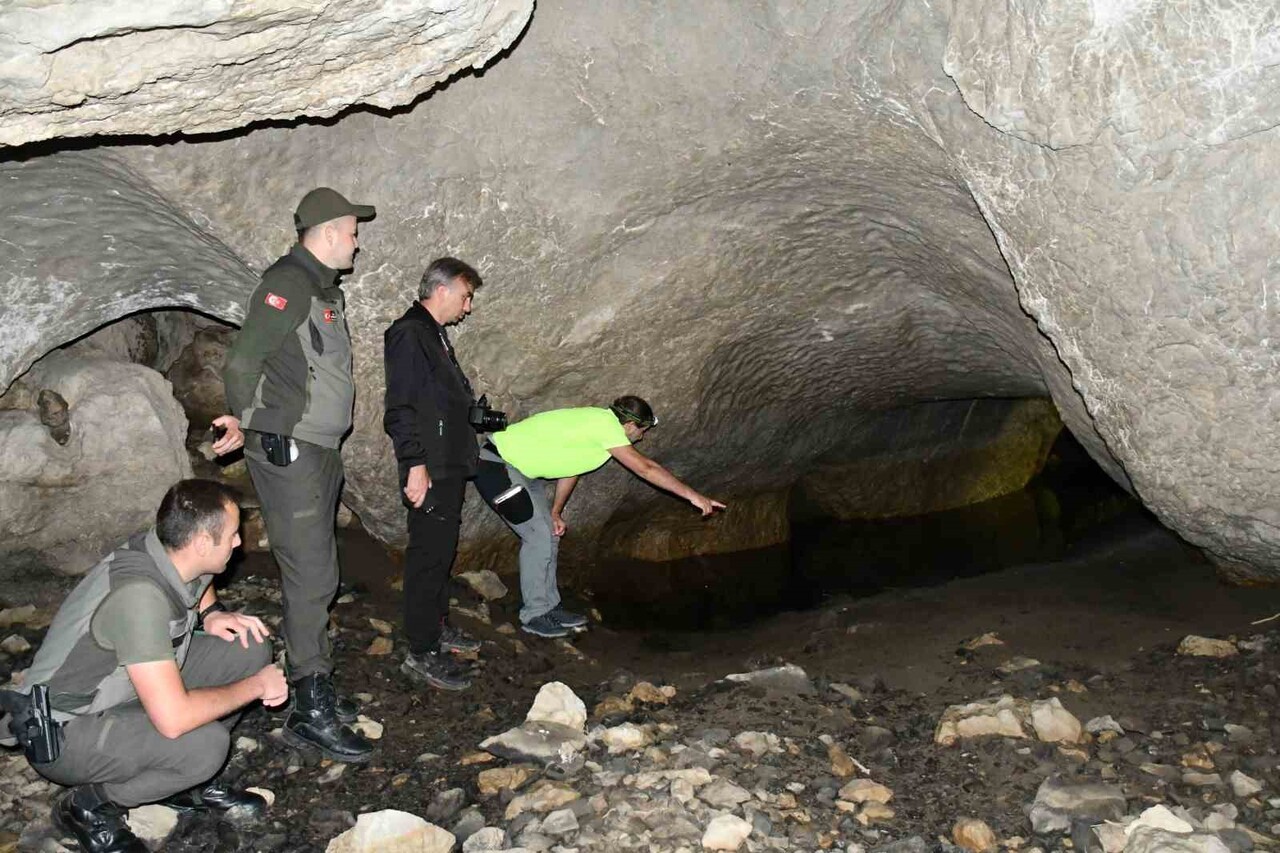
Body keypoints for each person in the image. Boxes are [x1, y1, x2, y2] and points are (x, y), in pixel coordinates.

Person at [0, 479, 286, 853]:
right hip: (66, 729)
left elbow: (201, 576)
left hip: (123, 688)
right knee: (206, 746)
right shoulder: (139, 599)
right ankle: (91, 805)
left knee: (248, 649)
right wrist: (257, 687)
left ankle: (179, 782)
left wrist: (212, 612)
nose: (238, 542)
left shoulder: (171, 547)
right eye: (232, 535)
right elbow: (173, 718)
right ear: (201, 541)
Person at [212, 187, 375, 762]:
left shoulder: (320, 289)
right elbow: (242, 358)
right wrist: (243, 417)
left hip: (317, 446)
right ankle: (310, 703)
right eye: (353, 231)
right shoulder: (288, 283)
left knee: (318, 568)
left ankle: (314, 676)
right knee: (311, 573)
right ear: (329, 230)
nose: (357, 241)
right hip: (291, 447)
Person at [478, 396, 726, 637]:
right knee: (538, 537)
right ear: (629, 426)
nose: (642, 436)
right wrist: (693, 496)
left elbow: (570, 469)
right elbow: (646, 468)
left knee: (550, 534)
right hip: (496, 465)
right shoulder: (605, 426)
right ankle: (534, 616)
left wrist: (556, 512)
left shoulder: (596, 428)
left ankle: (549, 607)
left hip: (521, 471)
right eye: (642, 430)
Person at [383, 257, 485, 691]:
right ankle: (421, 651)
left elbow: (440, 401)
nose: (468, 307)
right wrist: (415, 464)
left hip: (448, 461)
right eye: (466, 297)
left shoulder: (434, 336)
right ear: (441, 290)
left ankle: (437, 625)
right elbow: (401, 407)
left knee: (441, 552)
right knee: (428, 557)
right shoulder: (410, 333)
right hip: (432, 464)